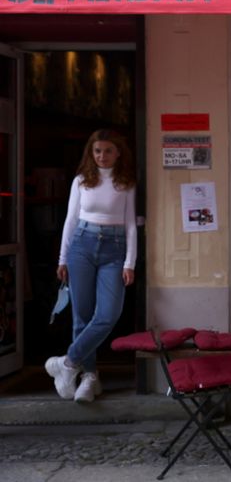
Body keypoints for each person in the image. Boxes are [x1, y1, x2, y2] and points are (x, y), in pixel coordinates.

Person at [46, 129, 137, 403]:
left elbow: (132, 224)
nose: (102, 156)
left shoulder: (126, 183)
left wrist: (130, 262)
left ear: (118, 153)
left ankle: (67, 363)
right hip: (81, 246)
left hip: (114, 249)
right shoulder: (81, 181)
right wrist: (63, 258)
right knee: (81, 316)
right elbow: (70, 221)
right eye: (97, 151)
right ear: (91, 152)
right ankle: (89, 376)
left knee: (108, 314)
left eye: (108, 150)